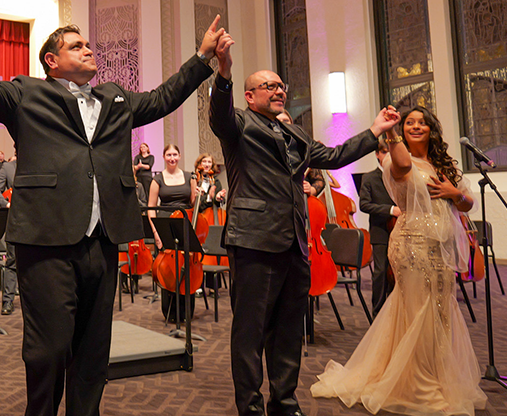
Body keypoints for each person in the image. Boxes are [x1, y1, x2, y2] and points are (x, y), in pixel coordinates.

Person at [0, 9, 229, 416]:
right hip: (46, 238)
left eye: (88, 44)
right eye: (77, 46)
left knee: (94, 350)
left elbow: (164, 97)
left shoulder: (115, 97)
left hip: (103, 238)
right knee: (49, 347)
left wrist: (202, 59)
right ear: (51, 61)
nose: (89, 49)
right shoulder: (26, 94)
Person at [208, 31, 400, 416]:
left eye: (281, 85)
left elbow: (334, 154)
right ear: (250, 95)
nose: (278, 90)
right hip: (253, 239)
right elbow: (218, 114)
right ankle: (250, 406)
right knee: (250, 330)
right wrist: (224, 69)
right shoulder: (240, 126)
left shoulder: (295, 133)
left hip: (295, 241)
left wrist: (375, 130)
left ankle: (285, 401)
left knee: (289, 327)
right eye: (269, 86)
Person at [311, 107, 486, 415]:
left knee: (441, 309)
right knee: (418, 308)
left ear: (432, 129)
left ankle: (436, 372)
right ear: (402, 131)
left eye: (422, 122)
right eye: (409, 123)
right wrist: (389, 131)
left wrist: (452, 192)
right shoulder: (395, 158)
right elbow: (404, 164)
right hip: (412, 245)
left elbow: (467, 204)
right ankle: (416, 381)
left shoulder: (443, 165)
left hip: (441, 247)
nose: (416, 126)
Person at [146, 144, 194, 322]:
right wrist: (156, 233)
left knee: (187, 266)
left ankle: (186, 311)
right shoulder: (157, 180)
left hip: (185, 223)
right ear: (164, 157)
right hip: (165, 225)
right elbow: (151, 208)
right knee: (167, 269)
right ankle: (170, 312)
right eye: (168, 155)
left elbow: (194, 204)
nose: (172, 158)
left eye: (175, 154)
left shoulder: (189, 177)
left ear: (180, 156)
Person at [357, 138, 399, 315]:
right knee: (381, 272)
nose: (387, 155)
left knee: (401, 271)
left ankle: (398, 312)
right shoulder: (370, 177)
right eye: (384, 151)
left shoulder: (401, 175)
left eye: (390, 151)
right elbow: (364, 205)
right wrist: (390, 210)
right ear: (377, 154)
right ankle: (378, 313)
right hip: (381, 230)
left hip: (402, 230)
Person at [0, 153, 19, 316]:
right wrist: (7, 204)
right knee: (12, 262)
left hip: (37, 223)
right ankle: (7, 300)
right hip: (14, 222)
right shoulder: (8, 167)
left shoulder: (39, 164)